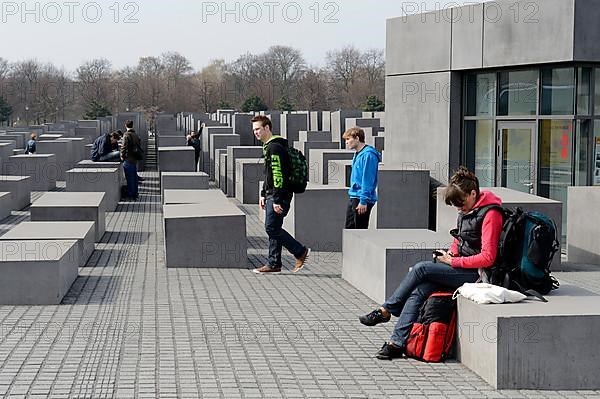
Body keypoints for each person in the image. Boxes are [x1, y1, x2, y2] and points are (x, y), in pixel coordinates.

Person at [358, 167, 503, 360]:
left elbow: (488, 257)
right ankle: (396, 343)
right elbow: (459, 239)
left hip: (478, 274)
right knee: (420, 290)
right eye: (456, 205)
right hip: (460, 266)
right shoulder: (470, 209)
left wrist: (453, 261)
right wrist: (450, 253)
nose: (459, 208)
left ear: (473, 193)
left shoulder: (491, 214)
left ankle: (386, 310)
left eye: (461, 203)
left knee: (421, 268)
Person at [252, 115, 310, 274]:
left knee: (271, 228)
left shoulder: (274, 148)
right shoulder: (269, 146)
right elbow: (269, 175)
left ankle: (299, 251)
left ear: (267, 128)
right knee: (275, 227)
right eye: (254, 130)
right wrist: (263, 193)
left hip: (279, 195)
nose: (255, 133)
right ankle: (274, 263)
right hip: (272, 194)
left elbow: (278, 175)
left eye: (258, 129)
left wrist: (276, 200)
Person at [342, 127, 381, 229]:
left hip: (362, 199)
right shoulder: (358, 154)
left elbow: (368, 179)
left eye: (348, 139)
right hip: (354, 196)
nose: (346, 142)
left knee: (360, 231)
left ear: (357, 138)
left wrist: (363, 201)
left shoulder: (368, 155)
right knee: (349, 229)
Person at [120, 125, 142, 200]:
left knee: (129, 178)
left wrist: (122, 156)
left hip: (128, 158)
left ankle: (131, 195)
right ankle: (135, 193)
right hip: (134, 158)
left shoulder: (126, 135)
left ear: (125, 126)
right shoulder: (136, 134)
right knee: (134, 177)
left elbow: (124, 147)